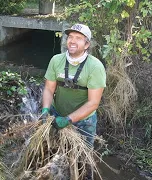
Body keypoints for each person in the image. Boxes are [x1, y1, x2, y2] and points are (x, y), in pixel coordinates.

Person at [40, 23, 106, 180]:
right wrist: (45, 109)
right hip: (56, 115)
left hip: (84, 122)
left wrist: (68, 119)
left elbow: (93, 103)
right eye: (70, 37)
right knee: (53, 153)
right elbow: (49, 89)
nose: (72, 41)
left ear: (87, 44)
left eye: (78, 38)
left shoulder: (95, 67)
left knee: (83, 161)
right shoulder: (56, 60)